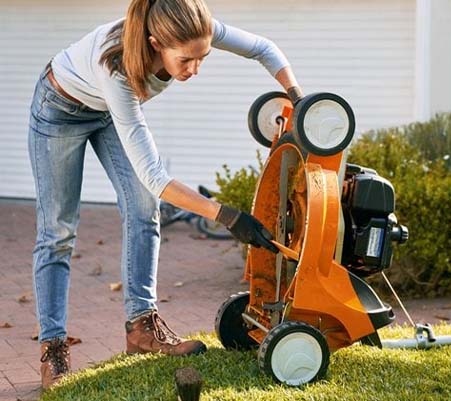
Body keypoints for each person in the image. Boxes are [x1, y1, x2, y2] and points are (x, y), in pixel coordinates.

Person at [28, 0, 299, 389]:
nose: (194, 69)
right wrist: (227, 216)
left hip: (106, 112)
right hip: (59, 109)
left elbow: (264, 49)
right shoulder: (116, 66)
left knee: (143, 208)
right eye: (186, 61)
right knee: (59, 231)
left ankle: (142, 329)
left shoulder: (191, 29)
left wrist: (297, 94)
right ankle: (53, 346)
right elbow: (156, 176)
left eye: (202, 58)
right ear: (156, 43)